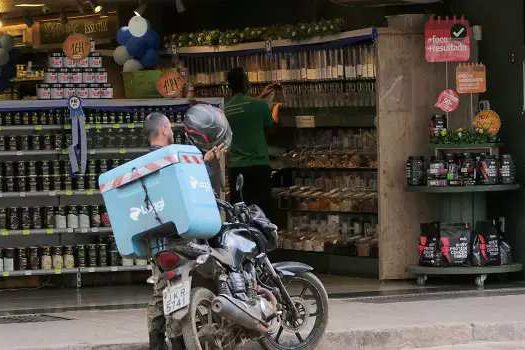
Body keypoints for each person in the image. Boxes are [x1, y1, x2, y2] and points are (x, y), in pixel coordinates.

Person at [143, 111, 225, 350]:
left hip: (157, 242)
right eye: (169, 128)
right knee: (183, 289)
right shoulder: (172, 158)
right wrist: (209, 164)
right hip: (182, 238)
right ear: (164, 129)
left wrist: (204, 161)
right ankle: (180, 341)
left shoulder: (143, 164)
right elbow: (196, 187)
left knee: (161, 291)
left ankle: (156, 343)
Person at [225, 67, 275, 216]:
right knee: (262, 213)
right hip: (259, 167)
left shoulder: (225, 110)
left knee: (240, 213)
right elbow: (271, 129)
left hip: (237, 168)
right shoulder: (260, 106)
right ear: (246, 83)